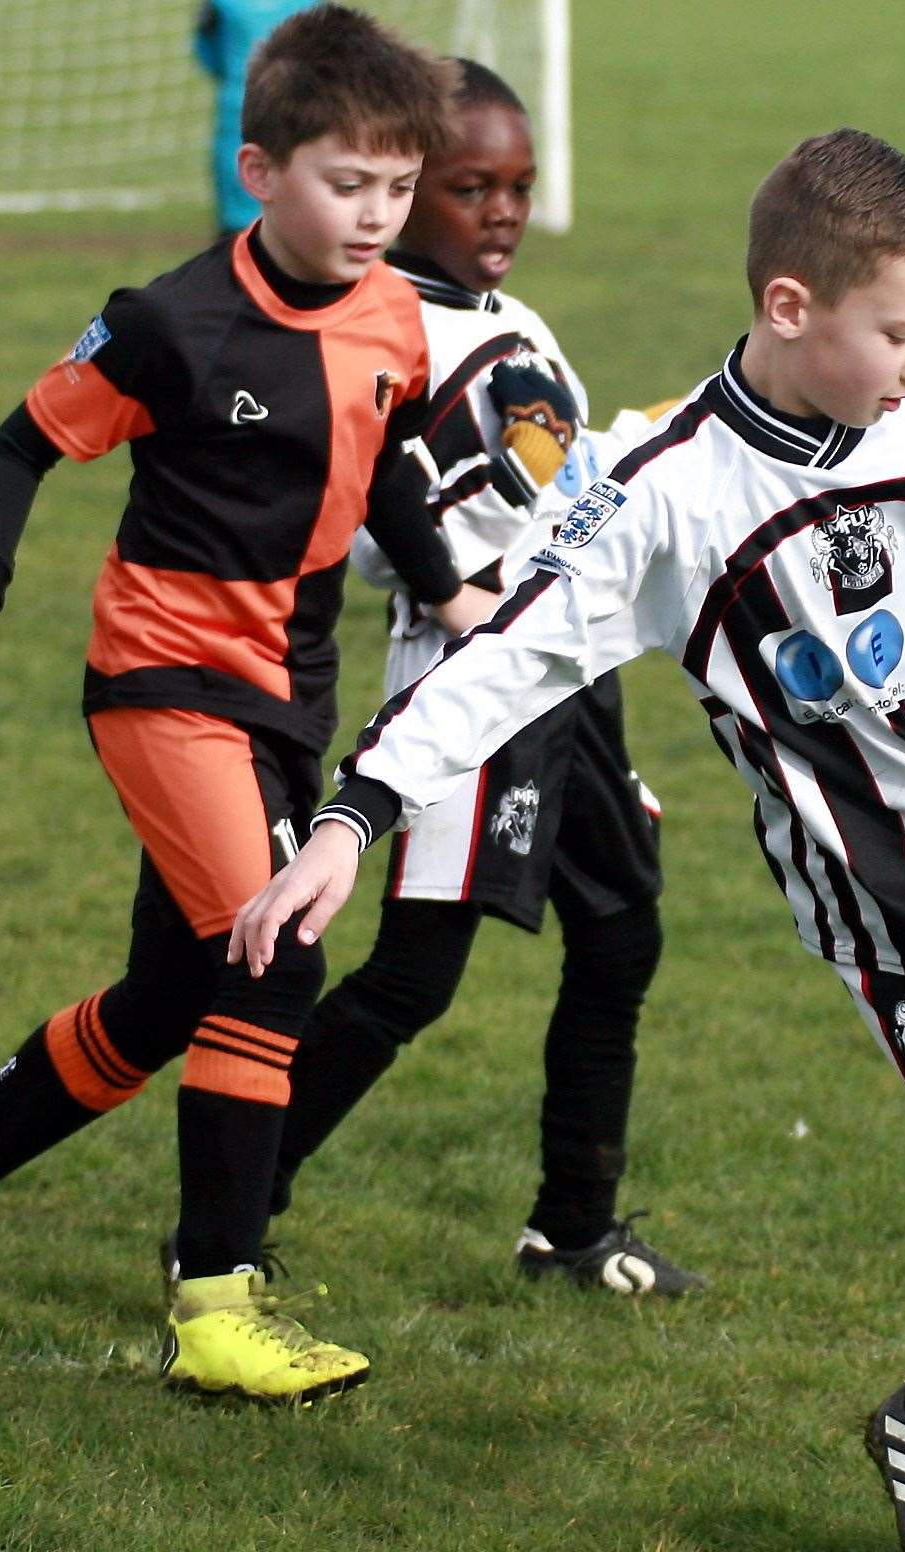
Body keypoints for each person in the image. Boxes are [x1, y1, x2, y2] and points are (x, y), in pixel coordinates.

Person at [231, 127, 905, 1552]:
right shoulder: (655, 488)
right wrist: (357, 811)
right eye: (901, 330)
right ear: (793, 308)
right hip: (890, 912)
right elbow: (508, 655)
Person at [0, 4, 494, 1405]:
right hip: (159, 680)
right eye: (348, 183)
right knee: (275, 951)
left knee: (166, 1000)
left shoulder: (396, 312)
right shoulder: (173, 323)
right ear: (262, 172)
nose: (380, 215)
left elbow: (383, 462)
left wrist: (455, 599)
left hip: (286, 693)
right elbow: (19, 444)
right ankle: (217, 1297)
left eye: (400, 187)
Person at [241, 60, 703, 1296]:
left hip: (572, 674)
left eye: (517, 187)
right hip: (469, 677)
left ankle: (576, 1227)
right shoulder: (383, 331)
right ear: (402, 190)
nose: (500, 211)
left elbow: (563, 478)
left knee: (620, 930)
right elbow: (398, 521)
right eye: (469, 186)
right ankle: (230, 1214)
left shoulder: (516, 321)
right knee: (411, 975)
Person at [194, 0, 315, 237]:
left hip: (240, 112)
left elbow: (207, 54)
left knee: (237, 224)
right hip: (300, 112)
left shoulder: (221, 5)